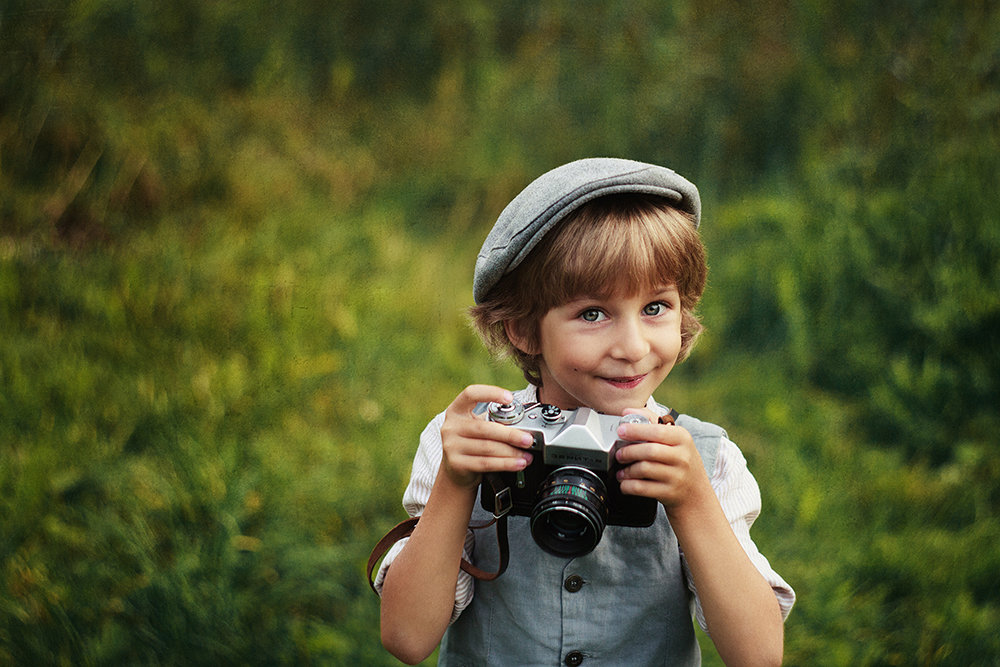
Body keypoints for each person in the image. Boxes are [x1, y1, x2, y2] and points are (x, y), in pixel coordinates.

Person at [374, 158, 795, 666]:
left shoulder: (705, 459)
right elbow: (407, 639)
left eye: (656, 307)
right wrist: (455, 484)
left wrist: (692, 502)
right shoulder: (471, 439)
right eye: (592, 313)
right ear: (524, 329)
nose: (633, 346)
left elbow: (759, 657)